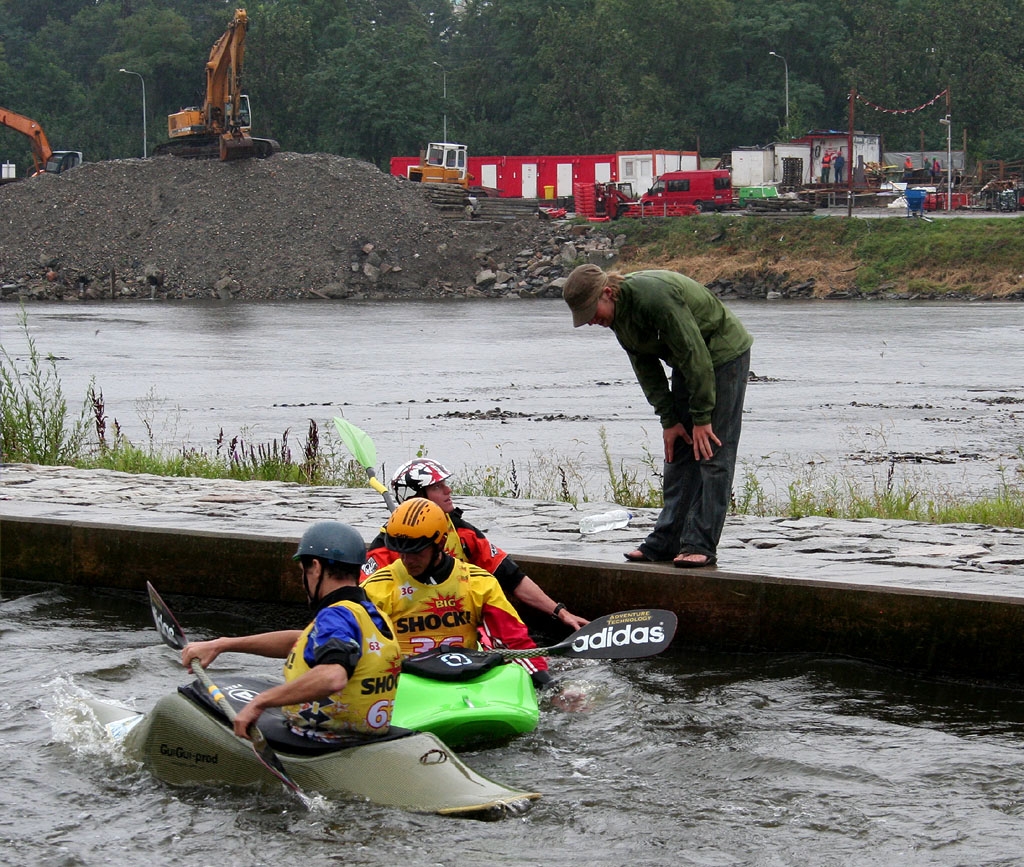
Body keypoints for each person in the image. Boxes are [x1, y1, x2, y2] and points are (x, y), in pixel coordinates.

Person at [562, 264, 753, 569]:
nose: (590, 322)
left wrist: (703, 418)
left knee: (712, 450)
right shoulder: (618, 316)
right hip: (687, 361)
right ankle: (666, 540)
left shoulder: (655, 298)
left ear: (608, 293)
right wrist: (669, 419)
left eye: (591, 311)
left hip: (721, 354)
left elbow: (695, 353)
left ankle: (700, 544)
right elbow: (645, 367)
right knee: (679, 449)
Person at [180, 521, 402, 742]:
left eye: (303, 570)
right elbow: (301, 641)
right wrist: (222, 644)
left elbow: (333, 676)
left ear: (315, 567)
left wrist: (261, 701)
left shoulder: (334, 616)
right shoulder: (372, 614)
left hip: (321, 741)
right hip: (363, 737)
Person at [364, 458, 589, 631]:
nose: (448, 490)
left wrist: (560, 612)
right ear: (416, 496)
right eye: (437, 487)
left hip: (461, 624)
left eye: (445, 484)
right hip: (410, 628)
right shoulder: (386, 545)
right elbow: (362, 599)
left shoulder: (462, 531)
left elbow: (512, 577)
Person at [361, 498, 552, 688]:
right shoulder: (377, 588)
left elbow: (514, 641)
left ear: (439, 543)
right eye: (401, 552)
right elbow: (362, 648)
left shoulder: (478, 583)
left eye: (416, 552)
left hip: (466, 677)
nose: (407, 560)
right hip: (407, 684)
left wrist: (548, 684)